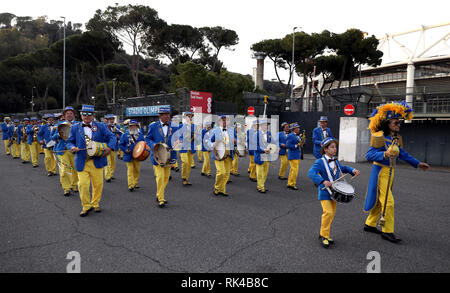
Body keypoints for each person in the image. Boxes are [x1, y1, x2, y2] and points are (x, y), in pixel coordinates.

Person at [363, 101, 430, 243]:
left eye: (399, 123)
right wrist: (384, 154)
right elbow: (369, 155)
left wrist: (417, 163)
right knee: (389, 202)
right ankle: (387, 231)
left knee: (381, 201)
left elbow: (403, 154)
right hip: (380, 171)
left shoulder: (396, 138)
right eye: (395, 123)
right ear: (387, 124)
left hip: (391, 172)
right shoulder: (379, 136)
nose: (399, 125)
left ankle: (369, 224)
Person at [308, 137, 360, 248]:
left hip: (335, 193)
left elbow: (344, 168)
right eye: (332, 147)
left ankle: (324, 233)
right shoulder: (320, 162)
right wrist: (322, 181)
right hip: (325, 193)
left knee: (332, 214)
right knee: (328, 213)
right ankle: (324, 236)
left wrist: (352, 170)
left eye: (335, 147)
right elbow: (311, 172)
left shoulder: (335, 161)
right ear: (325, 149)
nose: (335, 149)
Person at [66, 105, 116, 217]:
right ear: (80, 115)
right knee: (83, 185)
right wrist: (72, 147)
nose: (87, 116)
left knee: (98, 185)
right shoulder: (75, 127)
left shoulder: (101, 126)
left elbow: (112, 136)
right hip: (82, 161)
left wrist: (110, 147)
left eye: (89, 114)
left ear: (93, 116)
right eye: (84, 114)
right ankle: (86, 206)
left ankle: (95, 203)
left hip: (97, 161)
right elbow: (69, 141)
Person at [145, 106, 177, 208]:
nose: (168, 116)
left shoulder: (174, 125)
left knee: (166, 178)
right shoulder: (153, 126)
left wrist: (178, 141)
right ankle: (161, 199)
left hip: (169, 155)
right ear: (160, 116)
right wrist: (153, 145)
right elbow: (148, 138)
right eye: (165, 115)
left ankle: (159, 194)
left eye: (169, 115)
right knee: (160, 177)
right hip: (157, 155)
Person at [53, 106, 79, 196]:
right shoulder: (58, 125)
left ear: (74, 115)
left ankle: (74, 185)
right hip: (62, 150)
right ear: (64, 115)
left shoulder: (78, 124)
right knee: (64, 170)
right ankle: (66, 188)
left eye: (71, 113)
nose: (69, 115)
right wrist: (59, 135)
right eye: (67, 113)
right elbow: (52, 137)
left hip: (74, 149)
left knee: (75, 170)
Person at [209, 115, 235, 196]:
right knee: (221, 172)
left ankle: (222, 189)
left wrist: (236, 141)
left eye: (226, 120)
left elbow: (236, 140)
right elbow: (208, 141)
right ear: (219, 122)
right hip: (219, 154)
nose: (224, 122)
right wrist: (212, 144)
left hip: (229, 154)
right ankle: (217, 188)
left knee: (227, 174)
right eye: (222, 120)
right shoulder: (215, 130)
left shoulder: (232, 130)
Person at [119, 120, 144, 192]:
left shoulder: (140, 135)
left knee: (137, 170)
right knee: (130, 170)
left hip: (138, 155)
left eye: (134, 125)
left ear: (137, 126)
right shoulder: (125, 135)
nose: (132, 127)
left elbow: (143, 143)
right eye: (131, 126)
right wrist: (125, 150)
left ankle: (135, 183)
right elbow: (120, 144)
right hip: (128, 155)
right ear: (129, 127)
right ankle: (131, 185)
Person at [254, 119, 273, 193]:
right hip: (259, 155)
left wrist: (272, 148)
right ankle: (260, 187)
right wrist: (263, 150)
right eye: (265, 125)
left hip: (267, 156)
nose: (267, 126)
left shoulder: (269, 133)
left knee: (265, 172)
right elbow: (255, 146)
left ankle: (262, 185)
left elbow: (271, 143)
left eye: (267, 125)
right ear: (261, 126)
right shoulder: (256, 134)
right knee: (260, 173)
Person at [179, 112, 197, 186]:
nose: (189, 118)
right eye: (188, 116)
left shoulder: (194, 126)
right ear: (185, 118)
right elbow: (178, 136)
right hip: (183, 147)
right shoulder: (181, 126)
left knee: (189, 164)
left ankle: (186, 178)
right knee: (185, 162)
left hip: (191, 147)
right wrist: (181, 139)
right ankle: (184, 177)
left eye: (191, 117)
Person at [285, 123, 303, 190]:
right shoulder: (290, 135)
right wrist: (296, 145)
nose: (299, 129)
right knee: (295, 170)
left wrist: (301, 143)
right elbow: (288, 145)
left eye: (298, 128)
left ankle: (290, 183)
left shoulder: (297, 136)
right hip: (292, 155)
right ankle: (292, 184)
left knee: (292, 170)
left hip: (296, 155)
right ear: (293, 129)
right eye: (297, 128)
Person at [104, 114, 120, 183]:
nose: (111, 120)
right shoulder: (104, 127)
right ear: (107, 120)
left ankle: (111, 174)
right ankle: (107, 176)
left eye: (112, 119)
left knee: (113, 162)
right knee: (108, 162)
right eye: (110, 119)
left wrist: (118, 136)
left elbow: (121, 135)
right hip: (106, 146)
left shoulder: (117, 126)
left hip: (115, 147)